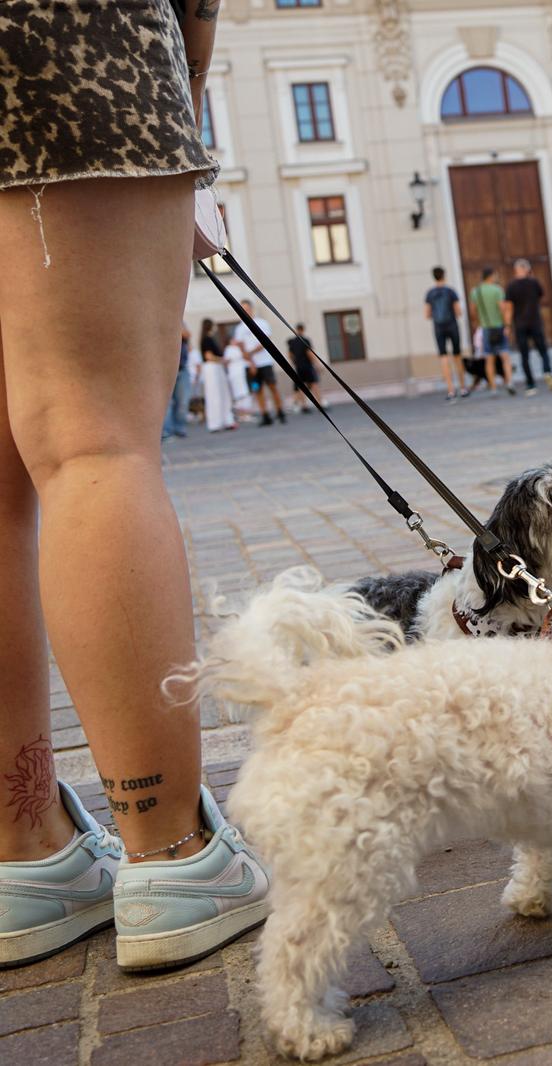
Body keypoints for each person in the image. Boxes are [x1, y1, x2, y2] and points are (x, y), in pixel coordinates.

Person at [0, 0, 269, 970]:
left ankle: (25, 854)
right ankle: (170, 854)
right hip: (58, 39)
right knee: (93, 445)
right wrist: (185, 78)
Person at [505, 257, 552, 393]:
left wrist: (507, 326)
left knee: (524, 355)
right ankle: (547, 371)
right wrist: (531, 277)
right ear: (527, 269)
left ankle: (530, 384)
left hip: (520, 324)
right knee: (543, 351)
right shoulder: (534, 282)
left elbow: (509, 308)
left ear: (516, 270)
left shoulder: (511, 286)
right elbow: (540, 295)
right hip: (535, 322)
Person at [233, 299, 285, 425]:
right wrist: (250, 362)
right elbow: (240, 346)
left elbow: (265, 341)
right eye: (242, 309)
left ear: (251, 309)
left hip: (264, 362)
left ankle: (279, 411)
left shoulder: (261, 323)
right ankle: (264, 414)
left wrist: (250, 353)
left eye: (246, 308)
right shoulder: (239, 328)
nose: (245, 311)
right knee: (257, 389)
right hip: (251, 365)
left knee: (272, 386)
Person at [468, 266, 515, 395]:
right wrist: (507, 325)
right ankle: (509, 382)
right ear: (491, 276)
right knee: (505, 356)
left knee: (489, 359)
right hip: (498, 326)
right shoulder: (497, 290)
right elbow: (502, 308)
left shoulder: (475, 292)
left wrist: (478, 323)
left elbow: (472, 311)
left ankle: (493, 388)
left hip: (485, 327)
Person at [423, 266, 464, 401]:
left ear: (433, 277)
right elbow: (458, 311)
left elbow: (427, 314)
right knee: (457, 355)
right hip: (452, 325)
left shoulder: (430, 293)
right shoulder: (450, 291)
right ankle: (462, 387)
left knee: (443, 357)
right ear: (444, 275)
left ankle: (450, 390)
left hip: (438, 327)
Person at [197, 319, 236, 433]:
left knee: (221, 394)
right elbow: (208, 356)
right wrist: (222, 360)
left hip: (215, 368)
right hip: (212, 368)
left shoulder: (206, 338)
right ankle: (216, 423)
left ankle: (225, 420)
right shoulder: (207, 339)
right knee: (215, 395)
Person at [162, 326, 191, 440]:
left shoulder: (179, 320)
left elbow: (187, 335)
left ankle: (179, 429)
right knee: (167, 403)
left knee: (182, 402)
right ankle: (166, 432)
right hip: (164, 369)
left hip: (182, 367)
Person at [286, 322, 321, 411]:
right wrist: (317, 364)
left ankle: (304, 405)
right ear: (303, 330)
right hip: (307, 366)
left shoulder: (292, 342)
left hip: (298, 366)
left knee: (301, 386)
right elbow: (309, 353)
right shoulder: (305, 340)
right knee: (313, 384)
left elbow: (290, 355)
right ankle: (319, 403)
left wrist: (295, 362)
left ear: (296, 330)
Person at [223, 335, 253, 420]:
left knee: (244, 392)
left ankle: (245, 413)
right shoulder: (229, 349)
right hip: (235, 373)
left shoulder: (237, 348)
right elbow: (227, 360)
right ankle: (241, 414)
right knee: (240, 393)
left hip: (240, 372)